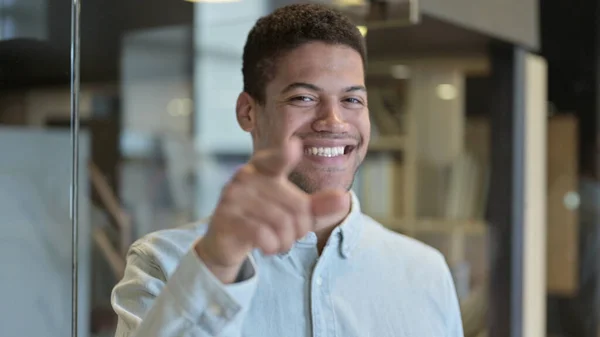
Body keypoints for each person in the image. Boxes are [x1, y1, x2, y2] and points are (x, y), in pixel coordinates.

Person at [111, 4, 464, 337]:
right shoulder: (163, 263)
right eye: (303, 98)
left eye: (352, 100)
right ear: (248, 112)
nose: (333, 121)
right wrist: (216, 266)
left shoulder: (425, 273)